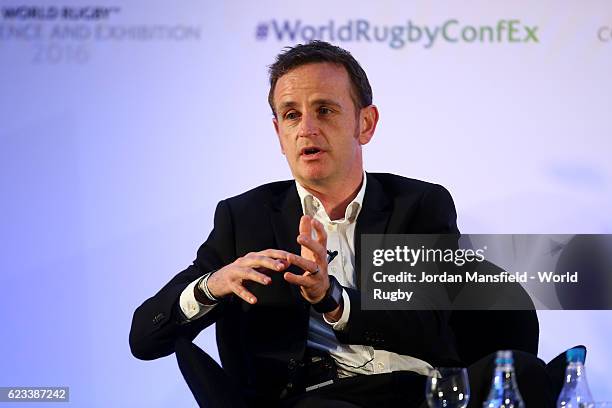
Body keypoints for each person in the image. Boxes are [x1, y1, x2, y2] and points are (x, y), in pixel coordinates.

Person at [129, 41, 552, 408]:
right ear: (278, 133)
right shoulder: (246, 218)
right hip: (314, 401)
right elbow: (144, 339)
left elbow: (425, 322)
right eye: (291, 115)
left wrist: (332, 298)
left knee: (525, 375)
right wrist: (211, 286)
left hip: (421, 395)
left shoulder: (417, 205)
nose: (307, 128)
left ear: (364, 123)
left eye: (325, 110)